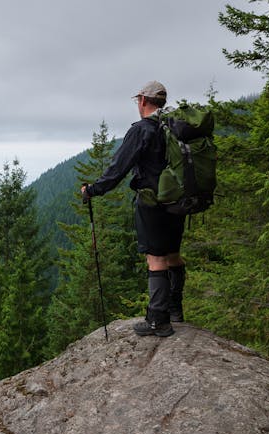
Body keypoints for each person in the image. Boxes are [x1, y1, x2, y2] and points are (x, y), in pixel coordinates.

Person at [81, 80, 186, 338]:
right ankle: (174, 310)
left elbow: (118, 168)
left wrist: (93, 190)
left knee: (156, 257)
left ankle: (158, 320)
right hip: (178, 200)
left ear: (142, 101)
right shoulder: (174, 128)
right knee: (173, 254)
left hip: (153, 202)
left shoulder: (142, 130)